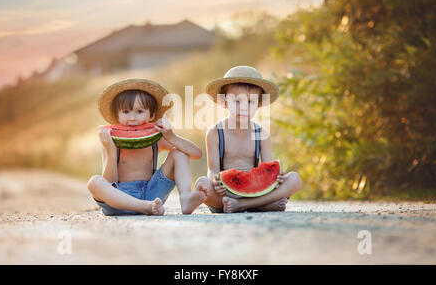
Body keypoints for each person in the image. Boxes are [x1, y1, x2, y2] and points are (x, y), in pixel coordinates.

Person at [87, 79, 207, 216]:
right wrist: (111, 153)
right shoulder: (111, 140)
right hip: (120, 199)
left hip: (152, 194)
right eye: (125, 111)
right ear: (117, 116)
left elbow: (196, 153)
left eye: (139, 111)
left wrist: (171, 137)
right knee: (94, 182)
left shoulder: (156, 139)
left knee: (178, 152)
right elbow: (109, 182)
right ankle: (143, 207)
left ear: (152, 115)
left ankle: (186, 198)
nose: (132, 118)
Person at [195, 66, 302, 213]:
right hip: (224, 194)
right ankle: (262, 205)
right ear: (224, 102)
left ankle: (242, 205)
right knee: (202, 184)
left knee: (294, 179)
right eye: (237, 101)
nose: (244, 107)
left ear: (258, 104)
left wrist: (277, 178)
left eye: (250, 102)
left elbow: (268, 169)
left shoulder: (261, 133)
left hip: (257, 191)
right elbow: (212, 170)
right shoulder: (214, 133)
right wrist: (215, 181)